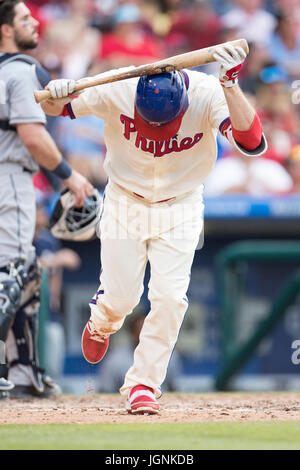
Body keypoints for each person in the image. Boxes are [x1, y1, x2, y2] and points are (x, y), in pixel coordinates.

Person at [42, 41, 267, 414]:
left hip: (181, 206)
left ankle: (143, 384)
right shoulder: (119, 86)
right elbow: (52, 106)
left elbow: (253, 142)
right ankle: (101, 321)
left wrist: (229, 84)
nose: (159, 134)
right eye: (152, 124)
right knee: (122, 299)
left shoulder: (208, 93)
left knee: (169, 298)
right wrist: (60, 90)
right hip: (124, 201)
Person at [0, 0, 93, 399]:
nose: (34, 22)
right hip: (9, 177)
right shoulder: (19, 70)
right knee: (11, 274)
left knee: (29, 277)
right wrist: (68, 176)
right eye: (23, 19)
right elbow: (33, 136)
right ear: (5, 29)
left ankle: (23, 372)